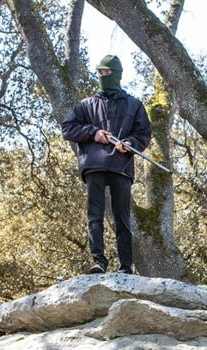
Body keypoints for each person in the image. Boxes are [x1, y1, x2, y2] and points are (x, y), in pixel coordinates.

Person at [60, 55, 152, 276]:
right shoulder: (86, 105)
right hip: (94, 166)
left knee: (122, 218)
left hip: (121, 166)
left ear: (116, 74)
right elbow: (68, 129)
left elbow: (143, 134)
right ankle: (98, 262)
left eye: (106, 73)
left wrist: (129, 144)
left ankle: (126, 266)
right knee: (95, 216)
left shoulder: (134, 105)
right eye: (100, 73)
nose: (102, 76)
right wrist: (94, 133)